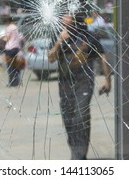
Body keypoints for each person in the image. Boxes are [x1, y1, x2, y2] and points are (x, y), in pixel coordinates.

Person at [48, 13, 111, 160]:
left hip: (84, 82)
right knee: (68, 119)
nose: (64, 19)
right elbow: (50, 58)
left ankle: (79, 156)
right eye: (62, 16)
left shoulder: (88, 36)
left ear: (75, 18)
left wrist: (108, 80)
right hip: (65, 83)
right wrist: (59, 42)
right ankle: (76, 151)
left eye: (67, 16)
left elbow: (102, 56)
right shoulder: (58, 35)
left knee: (81, 116)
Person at [1, 15, 22, 87]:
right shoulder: (15, 27)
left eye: (5, 22)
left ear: (7, 21)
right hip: (16, 48)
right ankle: (16, 81)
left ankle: (12, 82)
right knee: (15, 66)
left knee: (10, 66)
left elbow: (6, 38)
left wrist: (0, 39)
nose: (5, 24)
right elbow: (20, 37)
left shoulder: (9, 28)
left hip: (10, 48)